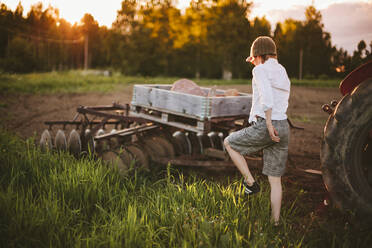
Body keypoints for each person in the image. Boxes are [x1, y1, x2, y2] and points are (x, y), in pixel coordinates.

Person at [224, 36, 290, 225]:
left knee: (229, 143)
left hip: (267, 125)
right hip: (283, 126)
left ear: (258, 55)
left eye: (253, 58)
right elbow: (280, 97)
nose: (253, 62)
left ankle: (250, 183)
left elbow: (267, 98)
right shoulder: (281, 70)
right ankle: (275, 223)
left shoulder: (259, 70)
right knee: (275, 180)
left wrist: (268, 124)